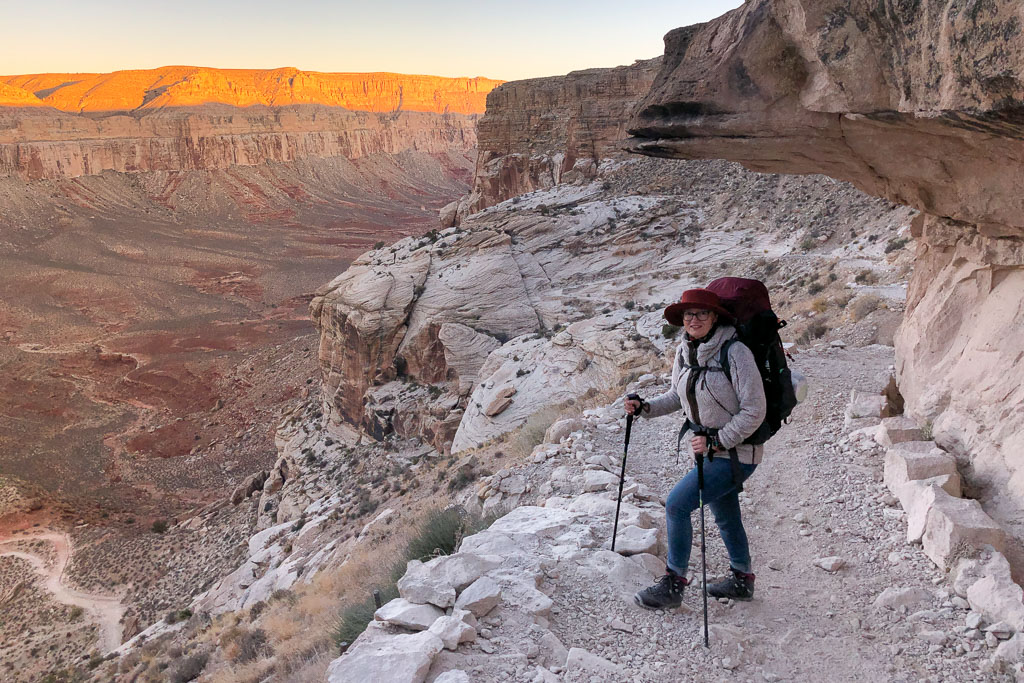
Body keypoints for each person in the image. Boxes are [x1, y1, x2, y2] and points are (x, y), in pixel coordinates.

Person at [626, 288, 766, 610]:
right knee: (726, 515)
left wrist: (717, 441)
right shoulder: (685, 351)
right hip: (708, 452)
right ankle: (742, 580)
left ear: (715, 317)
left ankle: (674, 585)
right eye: (688, 314)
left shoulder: (735, 352)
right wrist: (644, 407)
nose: (693, 319)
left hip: (738, 453)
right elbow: (678, 396)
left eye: (702, 313)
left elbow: (754, 410)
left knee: (676, 505)